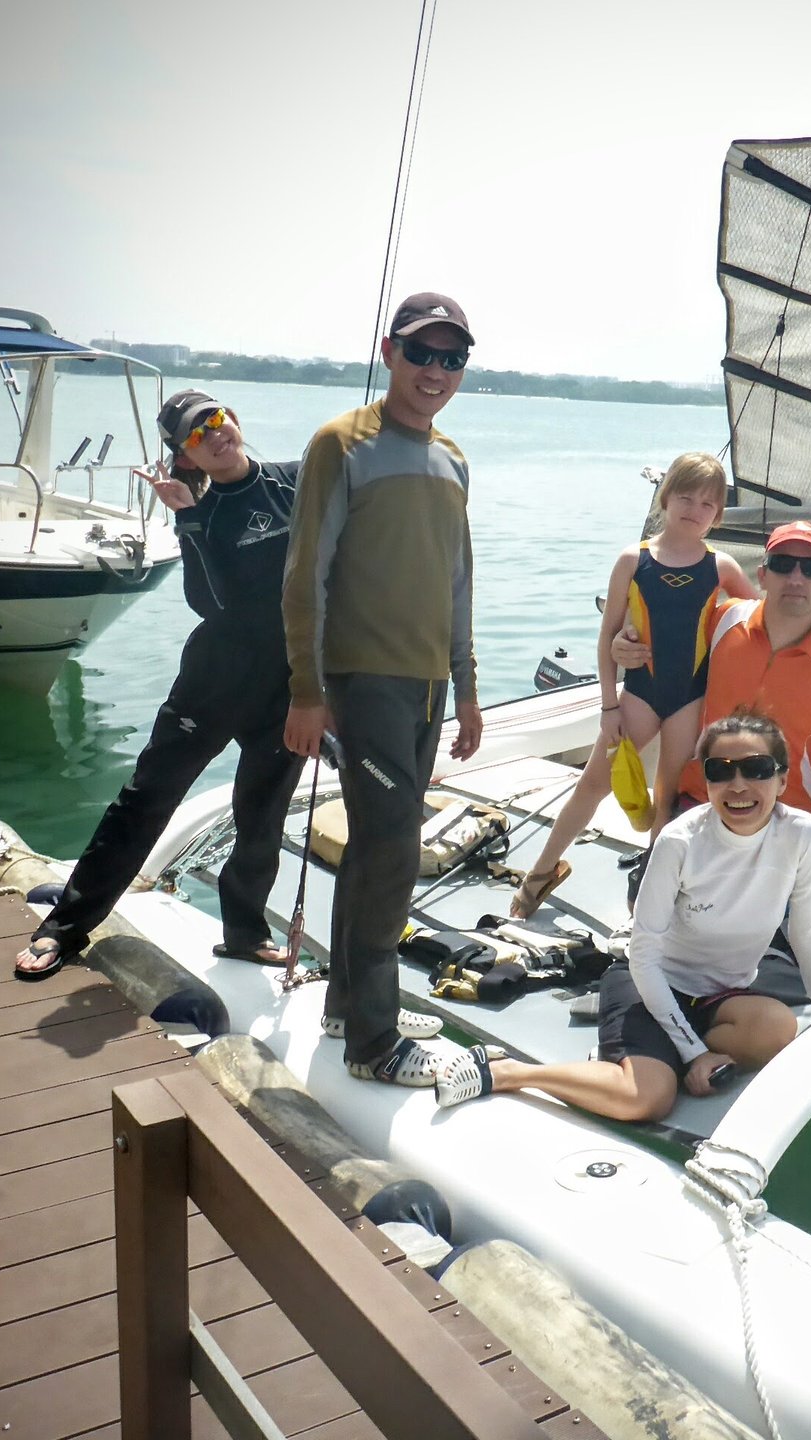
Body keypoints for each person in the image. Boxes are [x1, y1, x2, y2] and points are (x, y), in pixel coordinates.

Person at [13, 391, 304, 980]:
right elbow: (211, 603)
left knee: (262, 813)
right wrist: (187, 518)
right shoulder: (205, 512)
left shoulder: (295, 482)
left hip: (287, 685)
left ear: (236, 420)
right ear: (187, 456)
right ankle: (64, 927)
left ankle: (245, 934)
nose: (216, 433)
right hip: (213, 685)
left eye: (218, 419)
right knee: (145, 801)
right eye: (198, 434)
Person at [439, 712, 811, 1118]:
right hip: (648, 981)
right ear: (705, 781)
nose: (738, 785)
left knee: (777, 1031)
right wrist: (695, 1052)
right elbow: (643, 954)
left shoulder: (802, 833)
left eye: (756, 769)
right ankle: (510, 1072)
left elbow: (807, 930)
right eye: (720, 771)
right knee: (648, 1100)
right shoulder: (679, 840)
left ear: (782, 779)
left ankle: (652, 1050)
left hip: (720, 993)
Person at [281, 292, 483, 1087]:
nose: (435, 371)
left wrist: (467, 688)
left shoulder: (455, 458)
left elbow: (459, 581)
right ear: (390, 351)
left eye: (452, 358)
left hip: (429, 686)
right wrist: (306, 689)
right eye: (422, 353)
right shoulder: (342, 443)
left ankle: (347, 1006)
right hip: (363, 682)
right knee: (396, 849)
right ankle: (374, 1043)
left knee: (375, 845)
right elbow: (305, 577)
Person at [507, 453, 757, 918]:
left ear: (718, 515)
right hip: (639, 694)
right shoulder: (633, 559)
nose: (694, 509)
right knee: (591, 786)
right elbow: (607, 637)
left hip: (689, 698)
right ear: (665, 498)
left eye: (707, 504)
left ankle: (649, 897)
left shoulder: (721, 567)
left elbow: (763, 618)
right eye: (685, 497)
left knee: (666, 798)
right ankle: (540, 872)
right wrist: (608, 706)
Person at [618, 520, 811, 864]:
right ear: (763, 575)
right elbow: (661, 646)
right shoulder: (723, 620)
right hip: (700, 804)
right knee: (654, 911)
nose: (796, 579)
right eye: (783, 565)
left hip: (784, 821)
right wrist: (624, 642)